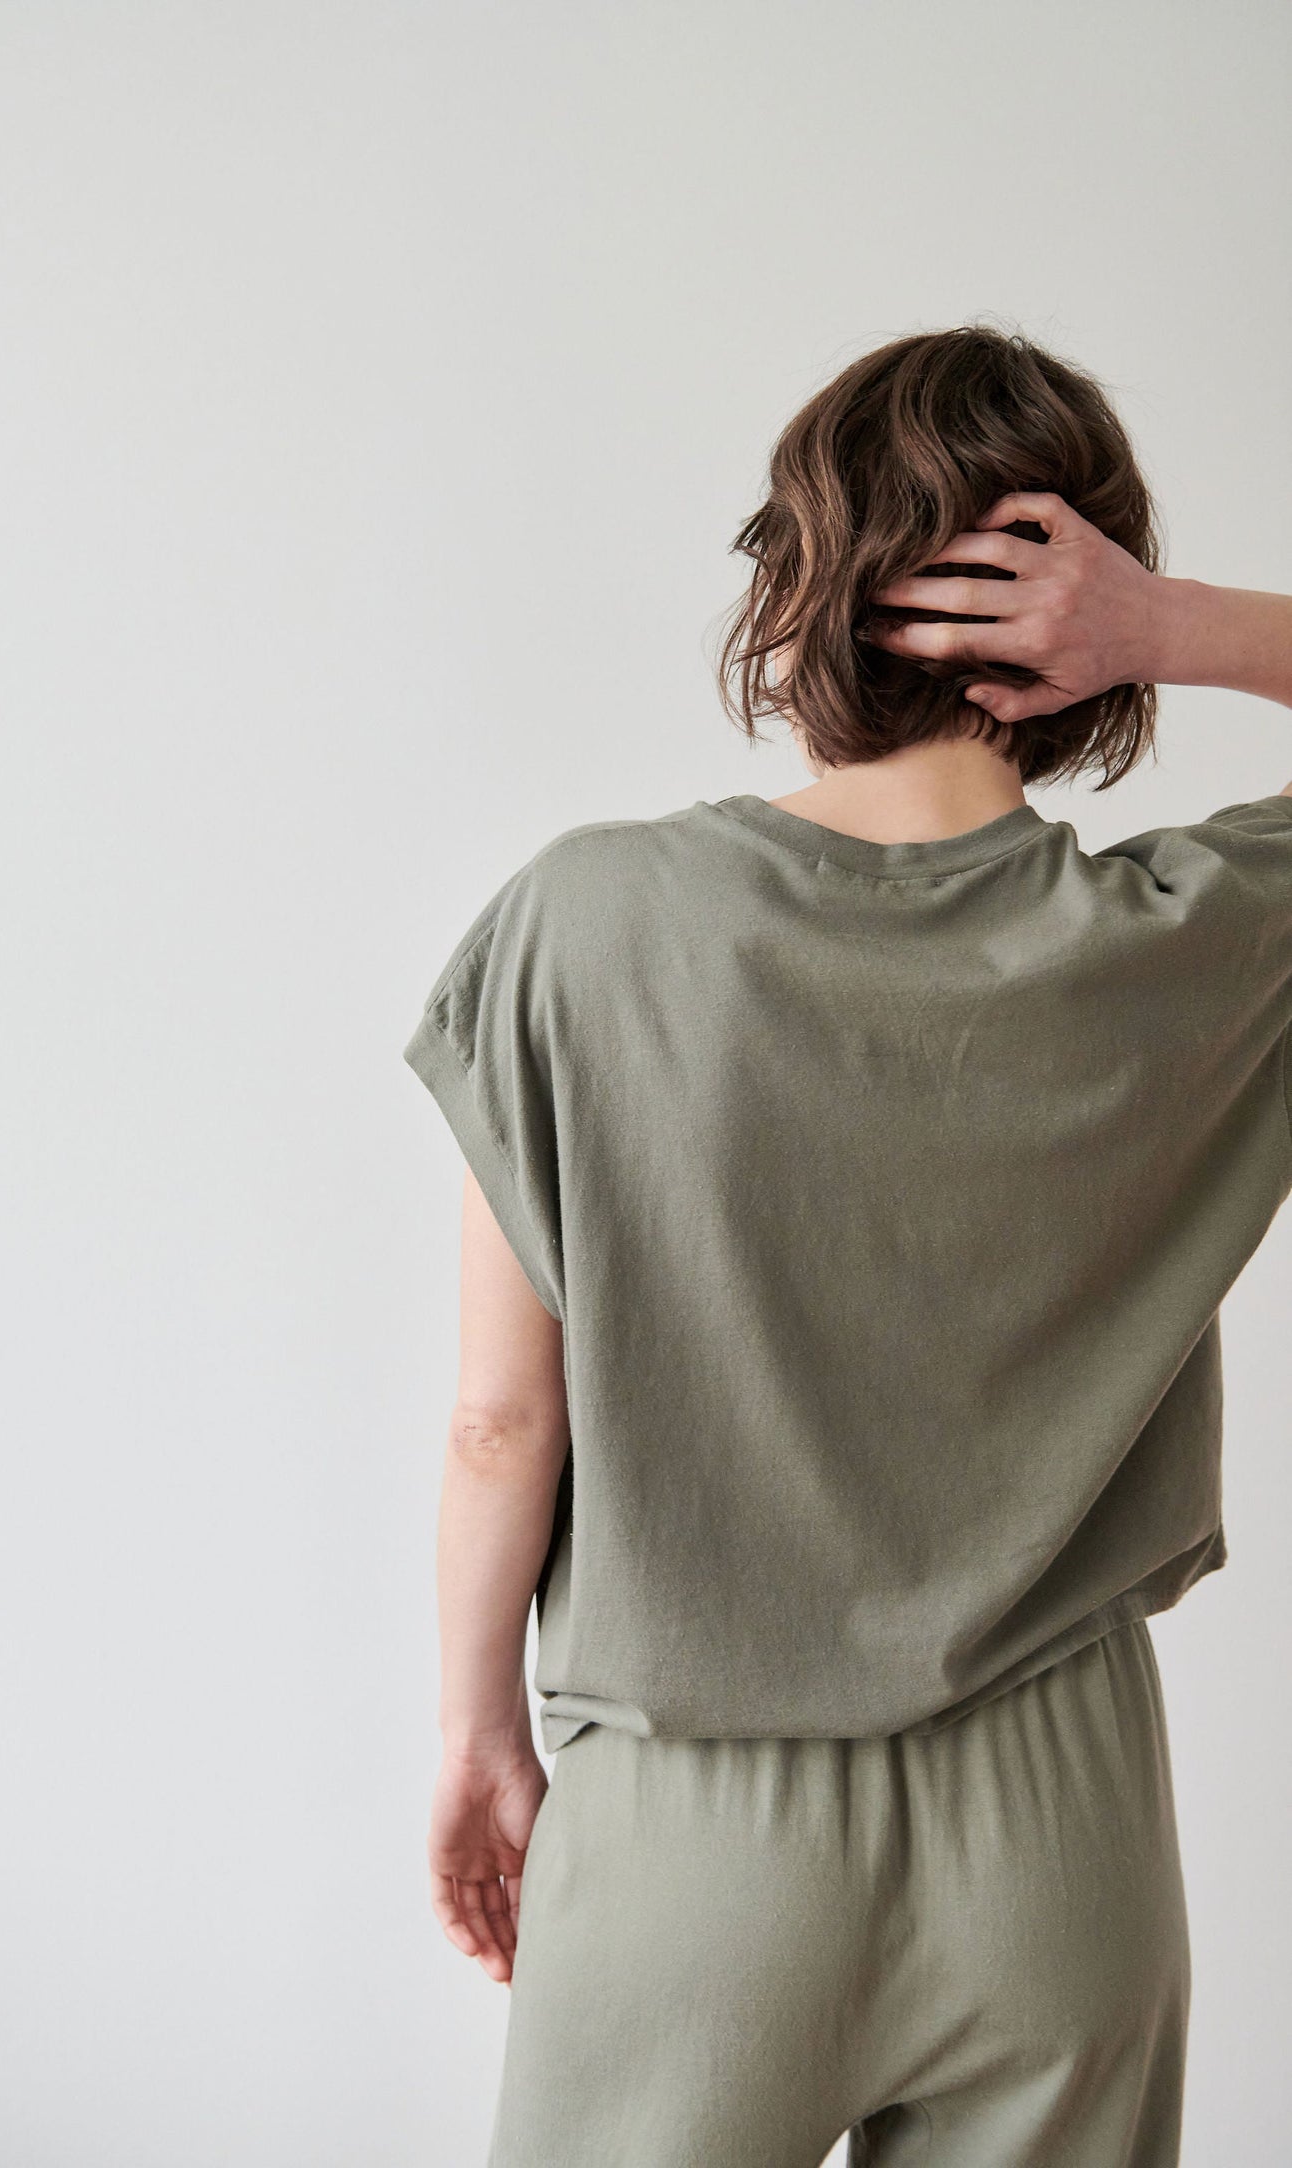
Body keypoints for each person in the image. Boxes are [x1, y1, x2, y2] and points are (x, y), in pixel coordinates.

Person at [402, 324, 1292, 2166]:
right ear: (1068, 629)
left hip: (687, 1837)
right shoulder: (1191, 947)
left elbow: (505, 1423)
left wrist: (478, 1734)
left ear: (803, 588)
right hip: (1063, 1838)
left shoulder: (583, 923)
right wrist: (1175, 627)